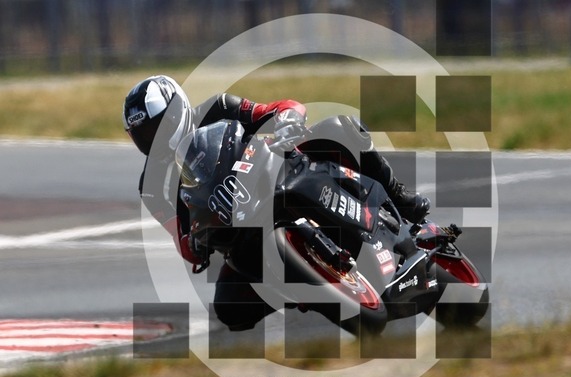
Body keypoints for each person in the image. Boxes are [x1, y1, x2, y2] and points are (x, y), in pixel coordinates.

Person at [122, 75, 430, 330]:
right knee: (229, 307)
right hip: (240, 233)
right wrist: (195, 243)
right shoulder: (151, 187)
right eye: (143, 135)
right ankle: (310, 287)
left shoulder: (219, 107)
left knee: (341, 127)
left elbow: (281, 108)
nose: (153, 139)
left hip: (278, 175)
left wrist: (287, 123)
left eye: (156, 128)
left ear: (176, 111)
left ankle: (400, 198)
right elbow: (180, 238)